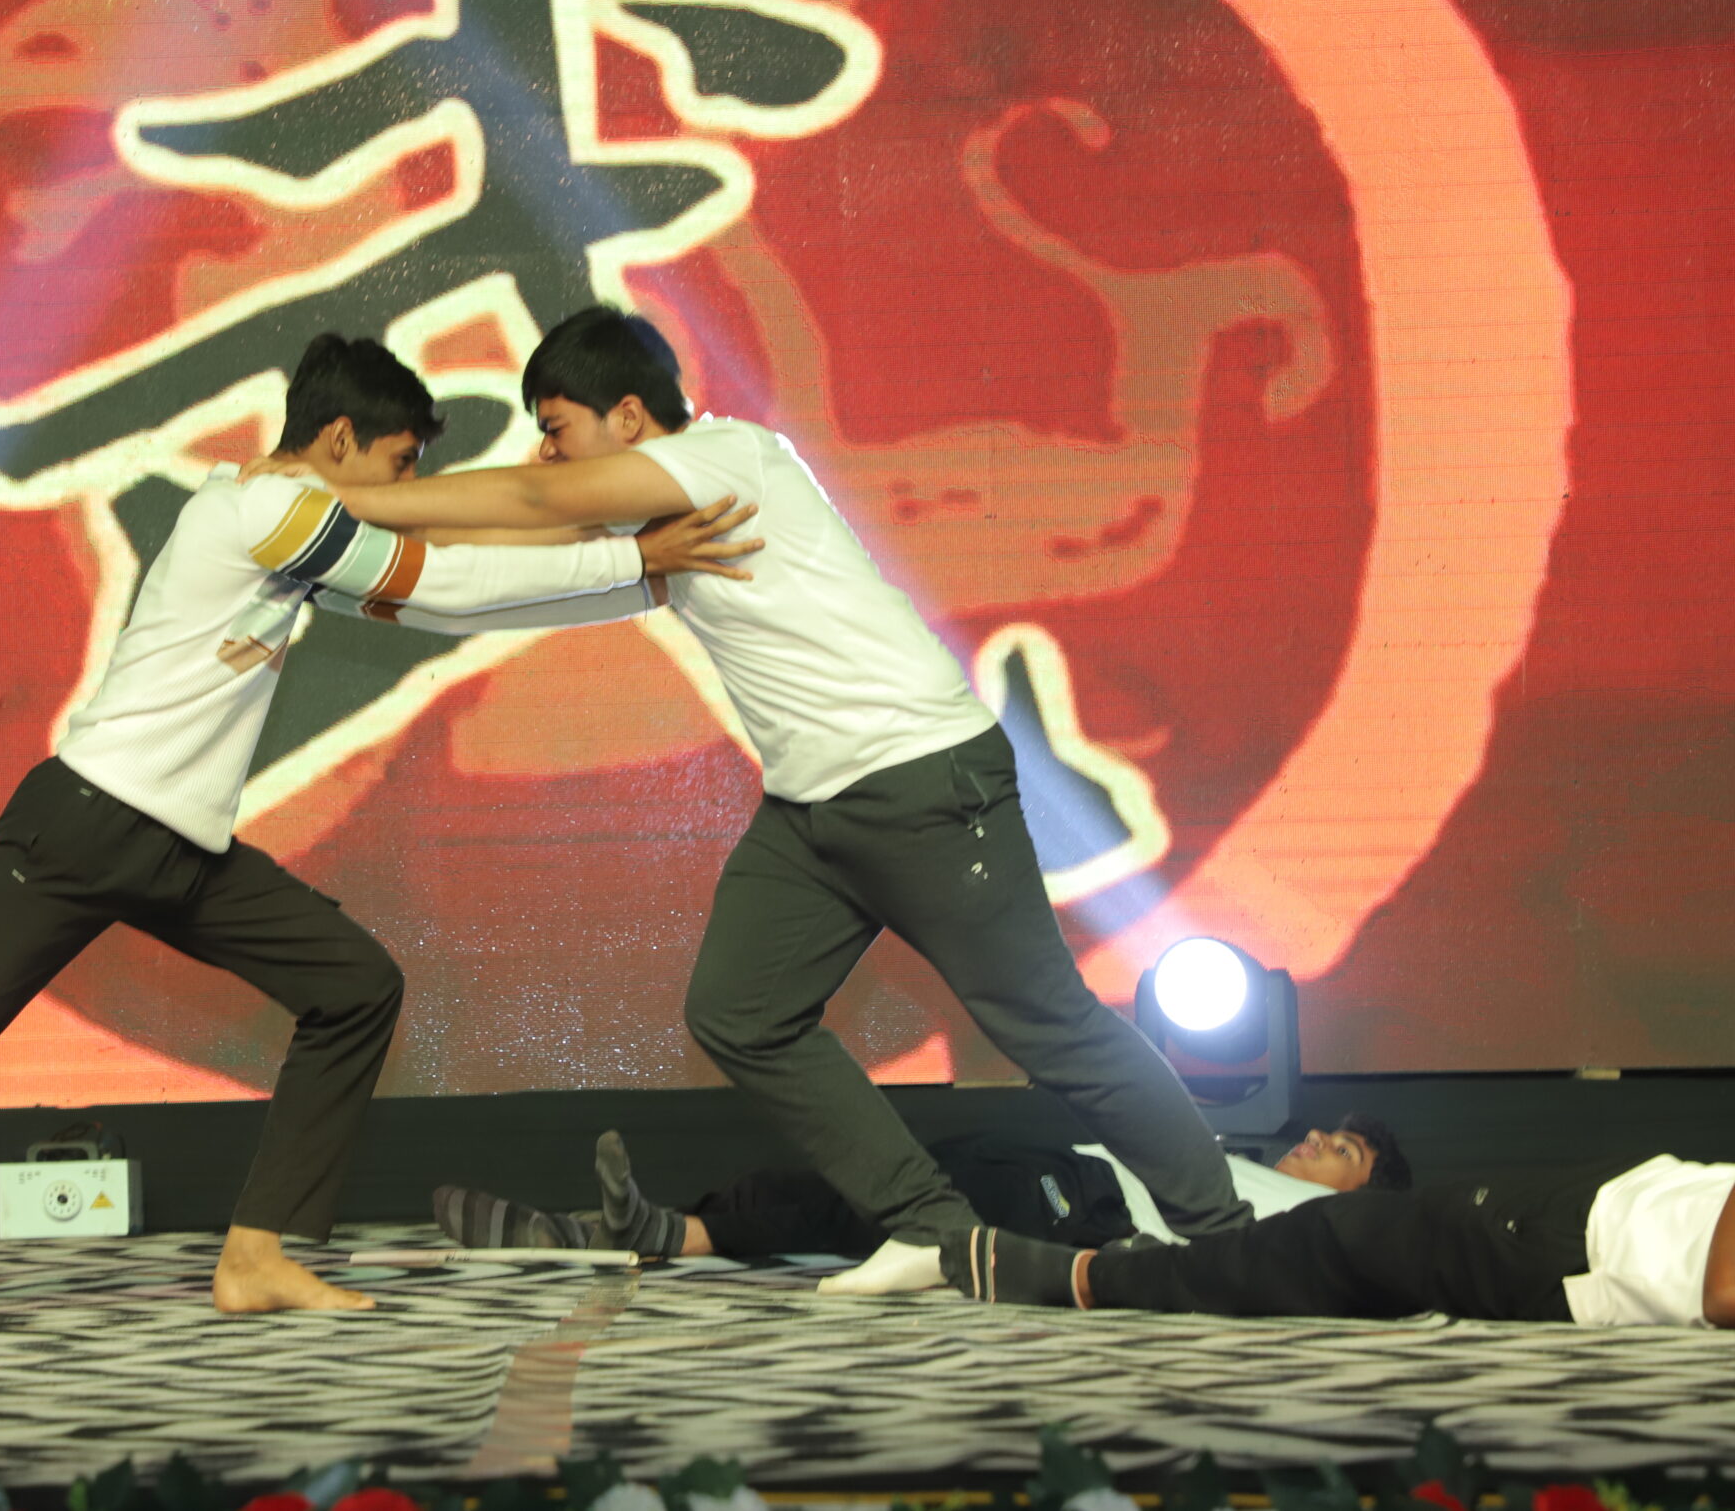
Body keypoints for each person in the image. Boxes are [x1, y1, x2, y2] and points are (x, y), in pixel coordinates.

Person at [0, 333, 760, 1338]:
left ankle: (260, 1253)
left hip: (180, 853)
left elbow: (442, 601)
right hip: (82, 829)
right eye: (402, 465)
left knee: (354, 985)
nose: (409, 491)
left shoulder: (297, 529)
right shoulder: (258, 511)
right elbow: (447, 586)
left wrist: (646, 587)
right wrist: (633, 560)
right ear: (337, 439)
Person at [270, 305, 1254, 1263]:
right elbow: (493, 555)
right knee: (741, 1012)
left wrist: (339, 493)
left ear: (627, 417)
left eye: (557, 428)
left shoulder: (729, 459)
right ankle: (931, 1228)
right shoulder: (662, 518)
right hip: (812, 814)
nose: (546, 453)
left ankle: (1227, 1236)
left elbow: (530, 505)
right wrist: (318, 526)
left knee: (1047, 1025)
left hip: (919, 780)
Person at [868, 1152, 1735, 1327]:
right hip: (1589, 1232)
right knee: (1325, 1258)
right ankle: (1097, 1272)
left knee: (1324, 1246)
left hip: (1591, 1246)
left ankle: (1084, 1276)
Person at [434, 1119, 1410, 1262]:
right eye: (1327, 1132)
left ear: (1363, 1193)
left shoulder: (1321, 1224)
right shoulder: (1245, 1162)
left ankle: (646, 1236)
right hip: (1061, 1170)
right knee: (833, 1183)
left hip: (1080, 1206)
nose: (1316, 1141)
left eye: (1342, 1150)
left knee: (865, 1206)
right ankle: (607, 1229)